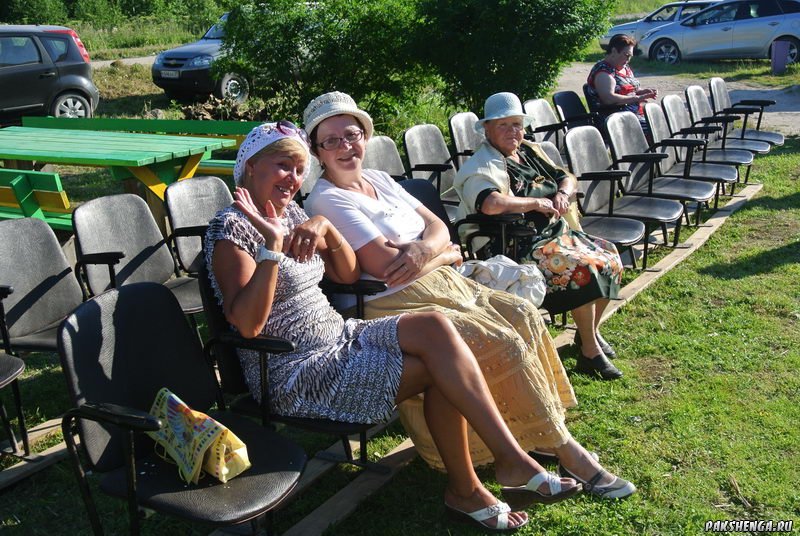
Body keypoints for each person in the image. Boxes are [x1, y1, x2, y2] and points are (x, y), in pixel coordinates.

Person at [204, 121, 591, 532]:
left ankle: (506, 462)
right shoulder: (232, 227)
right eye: (283, 166)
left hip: (338, 337)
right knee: (444, 370)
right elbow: (247, 325)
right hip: (296, 370)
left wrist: (325, 228)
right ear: (250, 167)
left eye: (299, 170)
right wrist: (271, 249)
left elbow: (348, 276)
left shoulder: (293, 212)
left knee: (438, 329)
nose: (293, 178)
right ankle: (471, 488)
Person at [302, 91, 635, 499]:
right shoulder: (327, 198)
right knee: (500, 339)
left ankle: (535, 434)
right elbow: (386, 268)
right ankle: (566, 452)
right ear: (317, 151)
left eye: (351, 135)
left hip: (443, 280)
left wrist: (430, 249)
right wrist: (444, 254)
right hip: (394, 301)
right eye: (330, 140)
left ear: (365, 137)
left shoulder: (379, 179)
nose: (344, 147)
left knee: (523, 315)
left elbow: (436, 224)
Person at [453, 92, 626, 381]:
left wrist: (562, 193)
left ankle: (588, 335)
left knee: (609, 256)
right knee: (581, 267)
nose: (513, 132)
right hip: (516, 242)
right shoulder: (481, 166)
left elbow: (568, 176)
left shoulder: (529, 152)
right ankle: (590, 352)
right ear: (487, 128)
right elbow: (490, 203)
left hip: (555, 234)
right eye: (504, 125)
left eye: (517, 125)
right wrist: (534, 203)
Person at [586, 34, 658, 136]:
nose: (628, 59)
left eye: (630, 56)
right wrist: (637, 98)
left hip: (633, 115)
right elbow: (608, 98)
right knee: (657, 128)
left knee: (663, 121)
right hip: (614, 120)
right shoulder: (603, 73)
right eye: (626, 55)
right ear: (614, 51)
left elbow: (629, 91)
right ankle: (650, 151)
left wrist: (643, 92)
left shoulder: (624, 67)